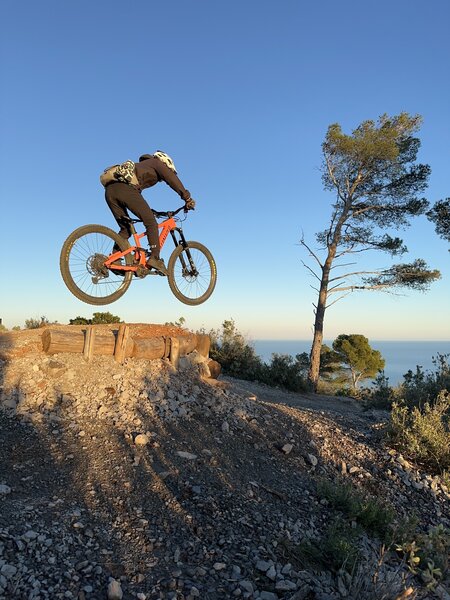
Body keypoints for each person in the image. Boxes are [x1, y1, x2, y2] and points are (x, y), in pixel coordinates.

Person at [104, 151, 195, 275]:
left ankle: (115, 258)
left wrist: (151, 211)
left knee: (126, 229)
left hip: (110, 192)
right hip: (125, 190)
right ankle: (155, 258)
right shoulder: (156, 163)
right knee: (151, 222)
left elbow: (135, 197)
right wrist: (187, 198)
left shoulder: (142, 167)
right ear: (165, 163)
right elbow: (172, 179)